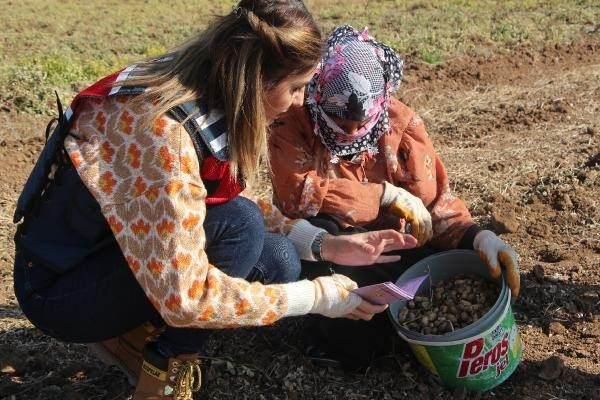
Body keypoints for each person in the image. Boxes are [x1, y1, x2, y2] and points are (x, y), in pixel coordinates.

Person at [11, 6, 417, 400]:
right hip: (59, 290)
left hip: (105, 250)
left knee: (275, 257)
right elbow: (189, 297)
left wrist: (322, 244)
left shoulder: (199, 82)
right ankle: (163, 369)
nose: (298, 103)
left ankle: (131, 330)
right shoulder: (164, 134)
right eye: (295, 88)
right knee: (240, 231)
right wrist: (318, 297)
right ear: (255, 80)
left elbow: (211, 202)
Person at [268, 25, 520, 368]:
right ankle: (335, 334)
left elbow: (435, 207)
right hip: (336, 248)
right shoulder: (293, 122)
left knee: (444, 286)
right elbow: (300, 196)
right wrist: (383, 194)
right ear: (316, 97)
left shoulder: (400, 125)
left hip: (394, 249)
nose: (352, 132)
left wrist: (479, 236)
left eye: (362, 122)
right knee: (326, 238)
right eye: (339, 118)